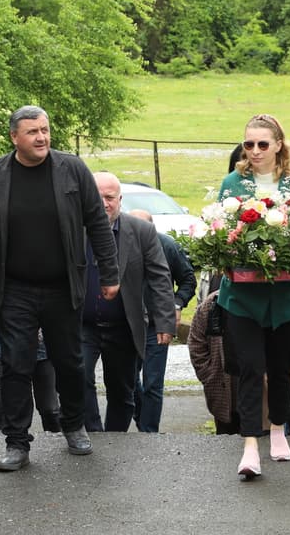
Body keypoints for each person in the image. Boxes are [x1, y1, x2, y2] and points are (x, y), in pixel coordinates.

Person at [0, 106, 119, 472]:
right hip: (14, 288)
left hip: (62, 286)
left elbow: (97, 223)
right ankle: (16, 442)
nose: (41, 137)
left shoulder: (73, 170)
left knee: (69, 362)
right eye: (32, 131)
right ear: (14, 137)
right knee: (15, 365)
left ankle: (73, 424)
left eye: (45, 130)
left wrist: (110, 274)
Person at [217, 113, 290, 480]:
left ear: (278, 145)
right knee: (249, 367)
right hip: (242, 298)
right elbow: (220, 230)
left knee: (280, 367)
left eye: (263, 143)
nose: (255, 150)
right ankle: (249, 444)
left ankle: (278, 427)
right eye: (249, 144)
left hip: (286, 298)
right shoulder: (233, 183)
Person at [81, 174, 175, 433]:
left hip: (123, 325)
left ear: (120, 199)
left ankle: (115, 439)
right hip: (82, 325)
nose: (103, 203)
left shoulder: (141, 231)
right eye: (97, 197)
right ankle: (94, 433)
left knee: (122, 390)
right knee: (78, 378)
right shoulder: (72, 230)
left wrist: (165, 321)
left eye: (109, 197)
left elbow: (159, 277)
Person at [129, 208, 197, 433]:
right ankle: (141, 418)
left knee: (153, 382)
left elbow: (188, 279)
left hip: (157, 323)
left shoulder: (167, 246)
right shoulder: (119, 245)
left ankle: (149, 432)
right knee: (129, 380)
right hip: (129, 323)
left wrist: (176, 304)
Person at [0, 298, 62, 432]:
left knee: (50, 409)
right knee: (5, 408)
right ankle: (8, 442)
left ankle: (55, 439)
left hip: (45, 350)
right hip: (6, 348)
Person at [188, 289, 240, 434]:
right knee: (225, 439)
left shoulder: (264, 299)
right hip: (224, 393)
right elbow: (196, 343)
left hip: (258, 397)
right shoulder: (212, 303)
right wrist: (209, 375)